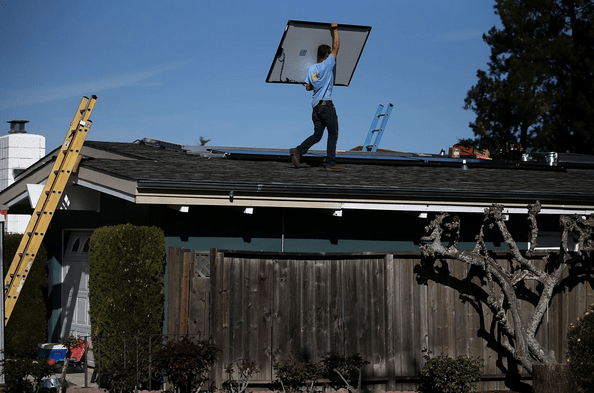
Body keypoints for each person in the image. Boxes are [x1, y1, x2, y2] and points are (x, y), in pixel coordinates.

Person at [290, 22, 342, 171]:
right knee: (333, 134)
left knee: (317, 134)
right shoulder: (327, 64)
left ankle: (298, 151)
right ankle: (331, 164)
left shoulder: (312, 68)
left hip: (315, 108)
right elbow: (336, 47)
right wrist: (335, 30)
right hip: (326, 106)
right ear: (325, 56)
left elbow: (308, 87)